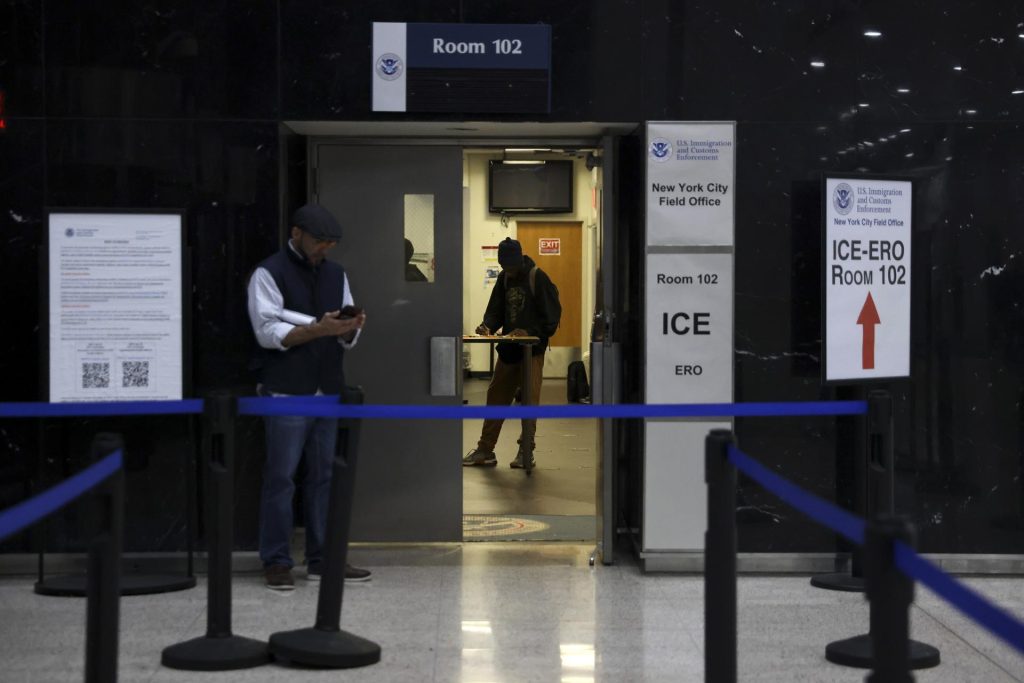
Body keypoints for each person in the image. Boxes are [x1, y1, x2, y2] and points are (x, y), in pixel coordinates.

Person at [246, 203, 371, 591]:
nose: (325, 249)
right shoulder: (269, 272)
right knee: (281, 479)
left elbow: (346, 338)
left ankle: (322, 559)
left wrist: (349, 328)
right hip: (286, 390)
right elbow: (267, 333)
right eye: (319, 241)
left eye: (331, 243)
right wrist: (319, 330)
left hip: (327, 388)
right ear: (297, 233)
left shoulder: (336, 273)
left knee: (324, 478)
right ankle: (276, 561)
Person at [464, 237, 561, 469]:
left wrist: (529, 331)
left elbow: (552, 318)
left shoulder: (538, 277)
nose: (508, 270)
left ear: (519, 260)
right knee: (495, 399)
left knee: (529, 402)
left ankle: (525, 451)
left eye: (511, 265)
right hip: (508, 350)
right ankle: (485, 450)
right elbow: (495, 310)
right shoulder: (504, 279)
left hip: (531, 352)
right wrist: (487, 326)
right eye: (504, 266)